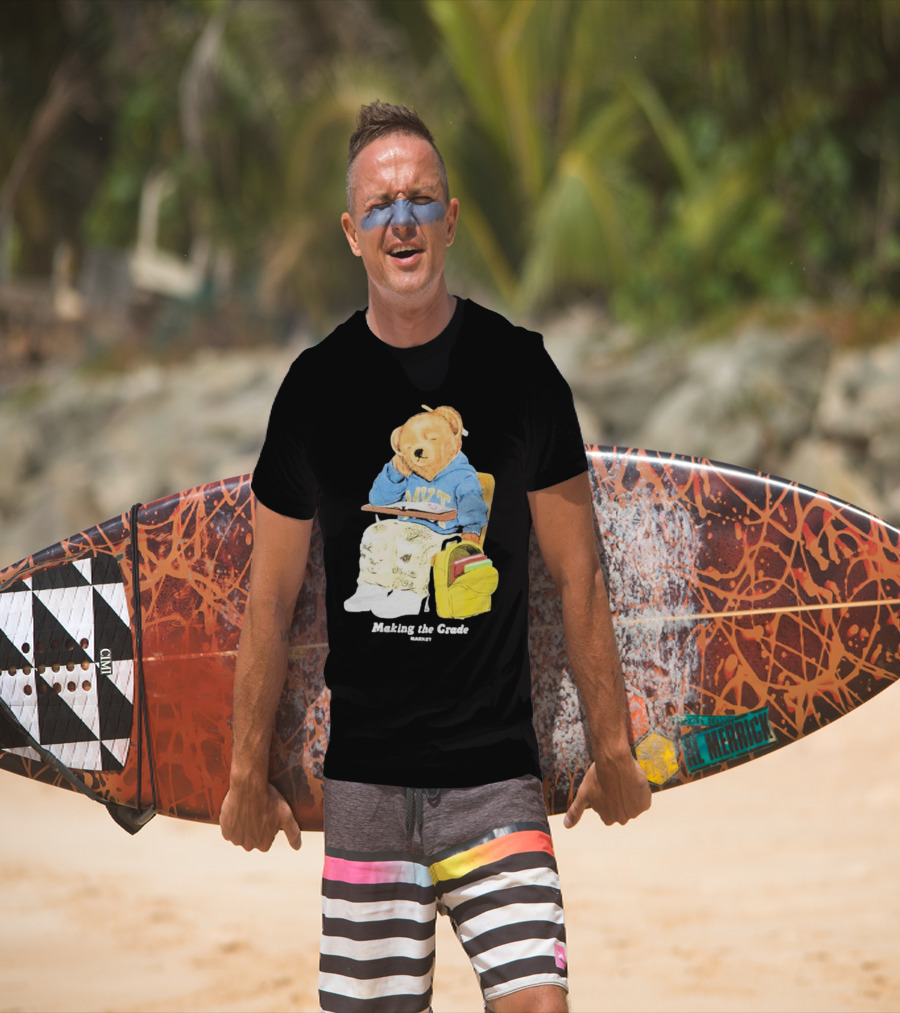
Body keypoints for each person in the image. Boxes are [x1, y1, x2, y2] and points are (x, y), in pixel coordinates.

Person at [220, 100, 651, 1013]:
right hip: (367, 787)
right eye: (380, 206)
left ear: (451, 219)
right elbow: (269, 601)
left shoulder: (522, 372)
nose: (402, 220)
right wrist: (242, 772)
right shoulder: (313, 390)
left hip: (496, 779)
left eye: (421, 200)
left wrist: (612, 746)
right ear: (351, 232)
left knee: (540, 1003)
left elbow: (580, 574)